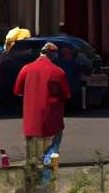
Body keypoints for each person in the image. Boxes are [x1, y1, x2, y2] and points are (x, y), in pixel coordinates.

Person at [14, 40, 70, 178]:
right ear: (53, 55)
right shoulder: (58, 72)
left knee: (32, 157)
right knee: (51, 152)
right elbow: (66, 95)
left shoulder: (26, 69)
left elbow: (18, 90)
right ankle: (47, 184)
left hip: (31, 123)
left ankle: (32, 185)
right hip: (52, 122)